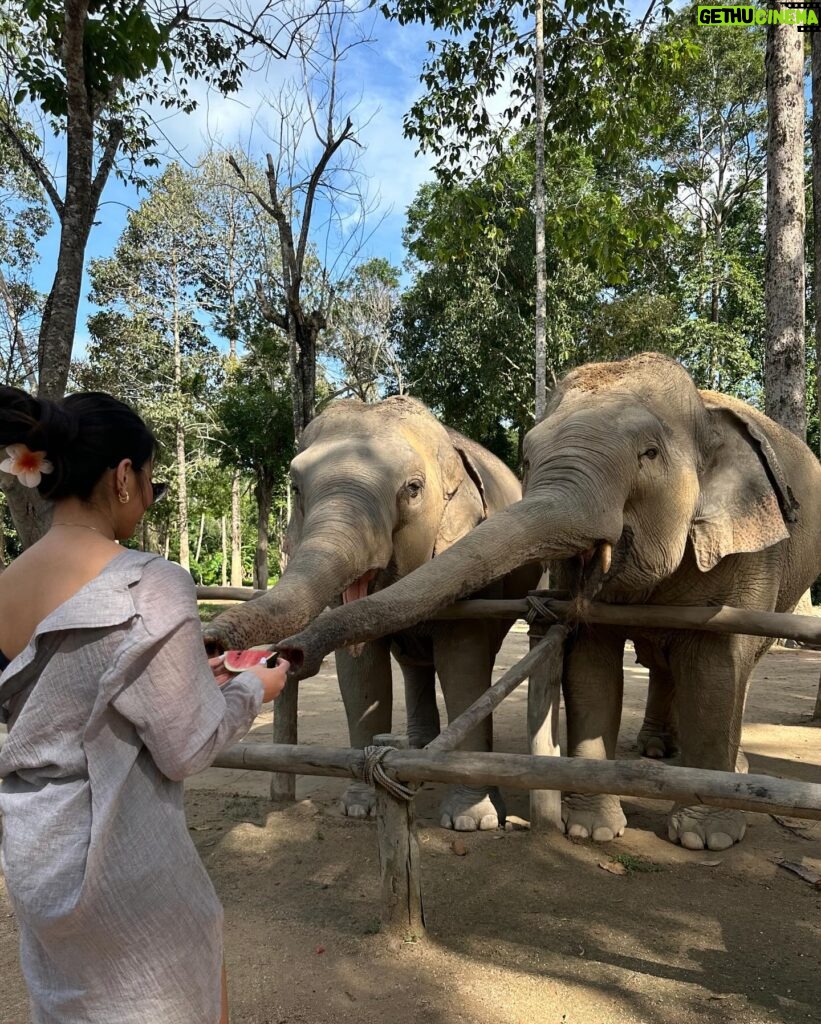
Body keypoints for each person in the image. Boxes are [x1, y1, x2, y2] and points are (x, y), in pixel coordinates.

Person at [0, 386, 288, 1024]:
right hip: (127, 869)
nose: (151, 498)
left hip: (36, 858)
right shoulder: (148, 581)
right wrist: (249, 690)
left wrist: (191, 676)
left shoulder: (4, 588)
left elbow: (61, 699)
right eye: (152, 481)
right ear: (124, 476)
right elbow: (185, 748)